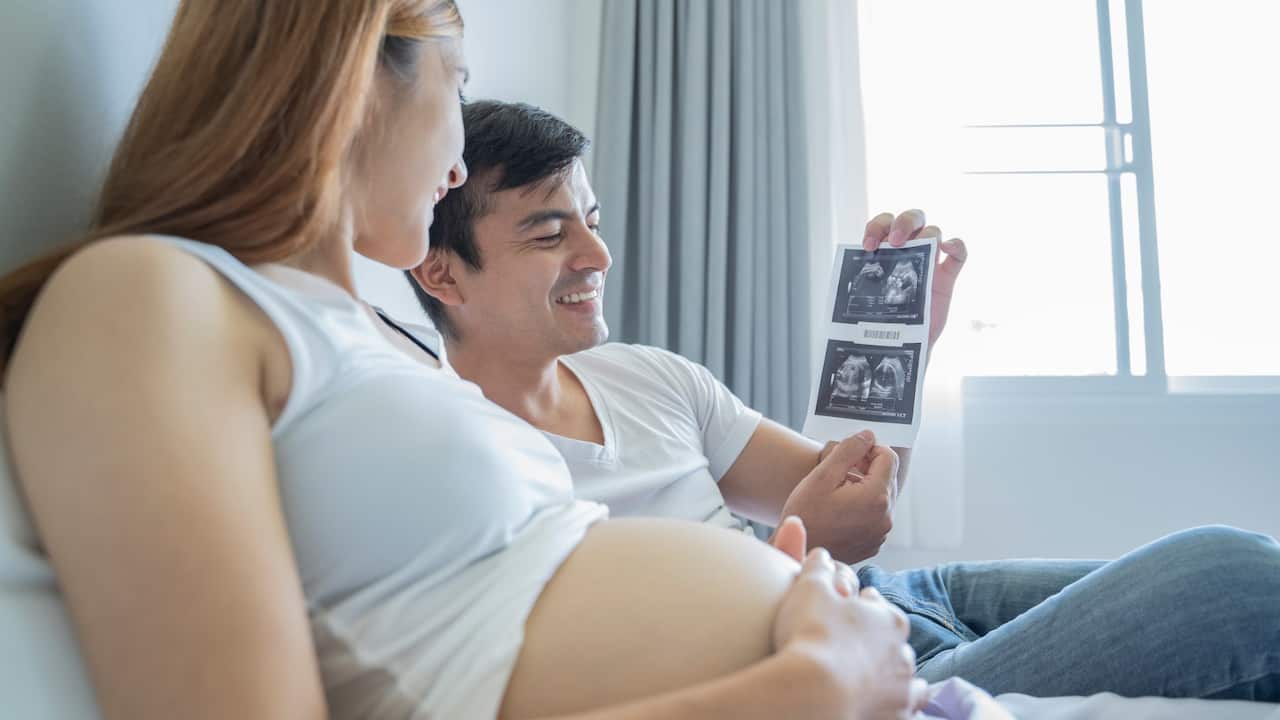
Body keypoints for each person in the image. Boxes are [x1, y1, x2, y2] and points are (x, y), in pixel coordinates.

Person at [0, 2, 938, 719]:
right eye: (456, 82)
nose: (455, 162)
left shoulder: (375, 341)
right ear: (359, 70)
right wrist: (807, 686)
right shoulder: (145, 294)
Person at [408, 99, 1280, 702]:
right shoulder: (465, 467)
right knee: (1230, 575)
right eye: (549, 232)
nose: (596, 254)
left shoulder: (646, 376)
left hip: (906, 592)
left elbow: (857, 493)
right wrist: (797, 555)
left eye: (592, 218)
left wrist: (906, 342)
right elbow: (616, 666)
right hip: (835, 646)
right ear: (441, 270)